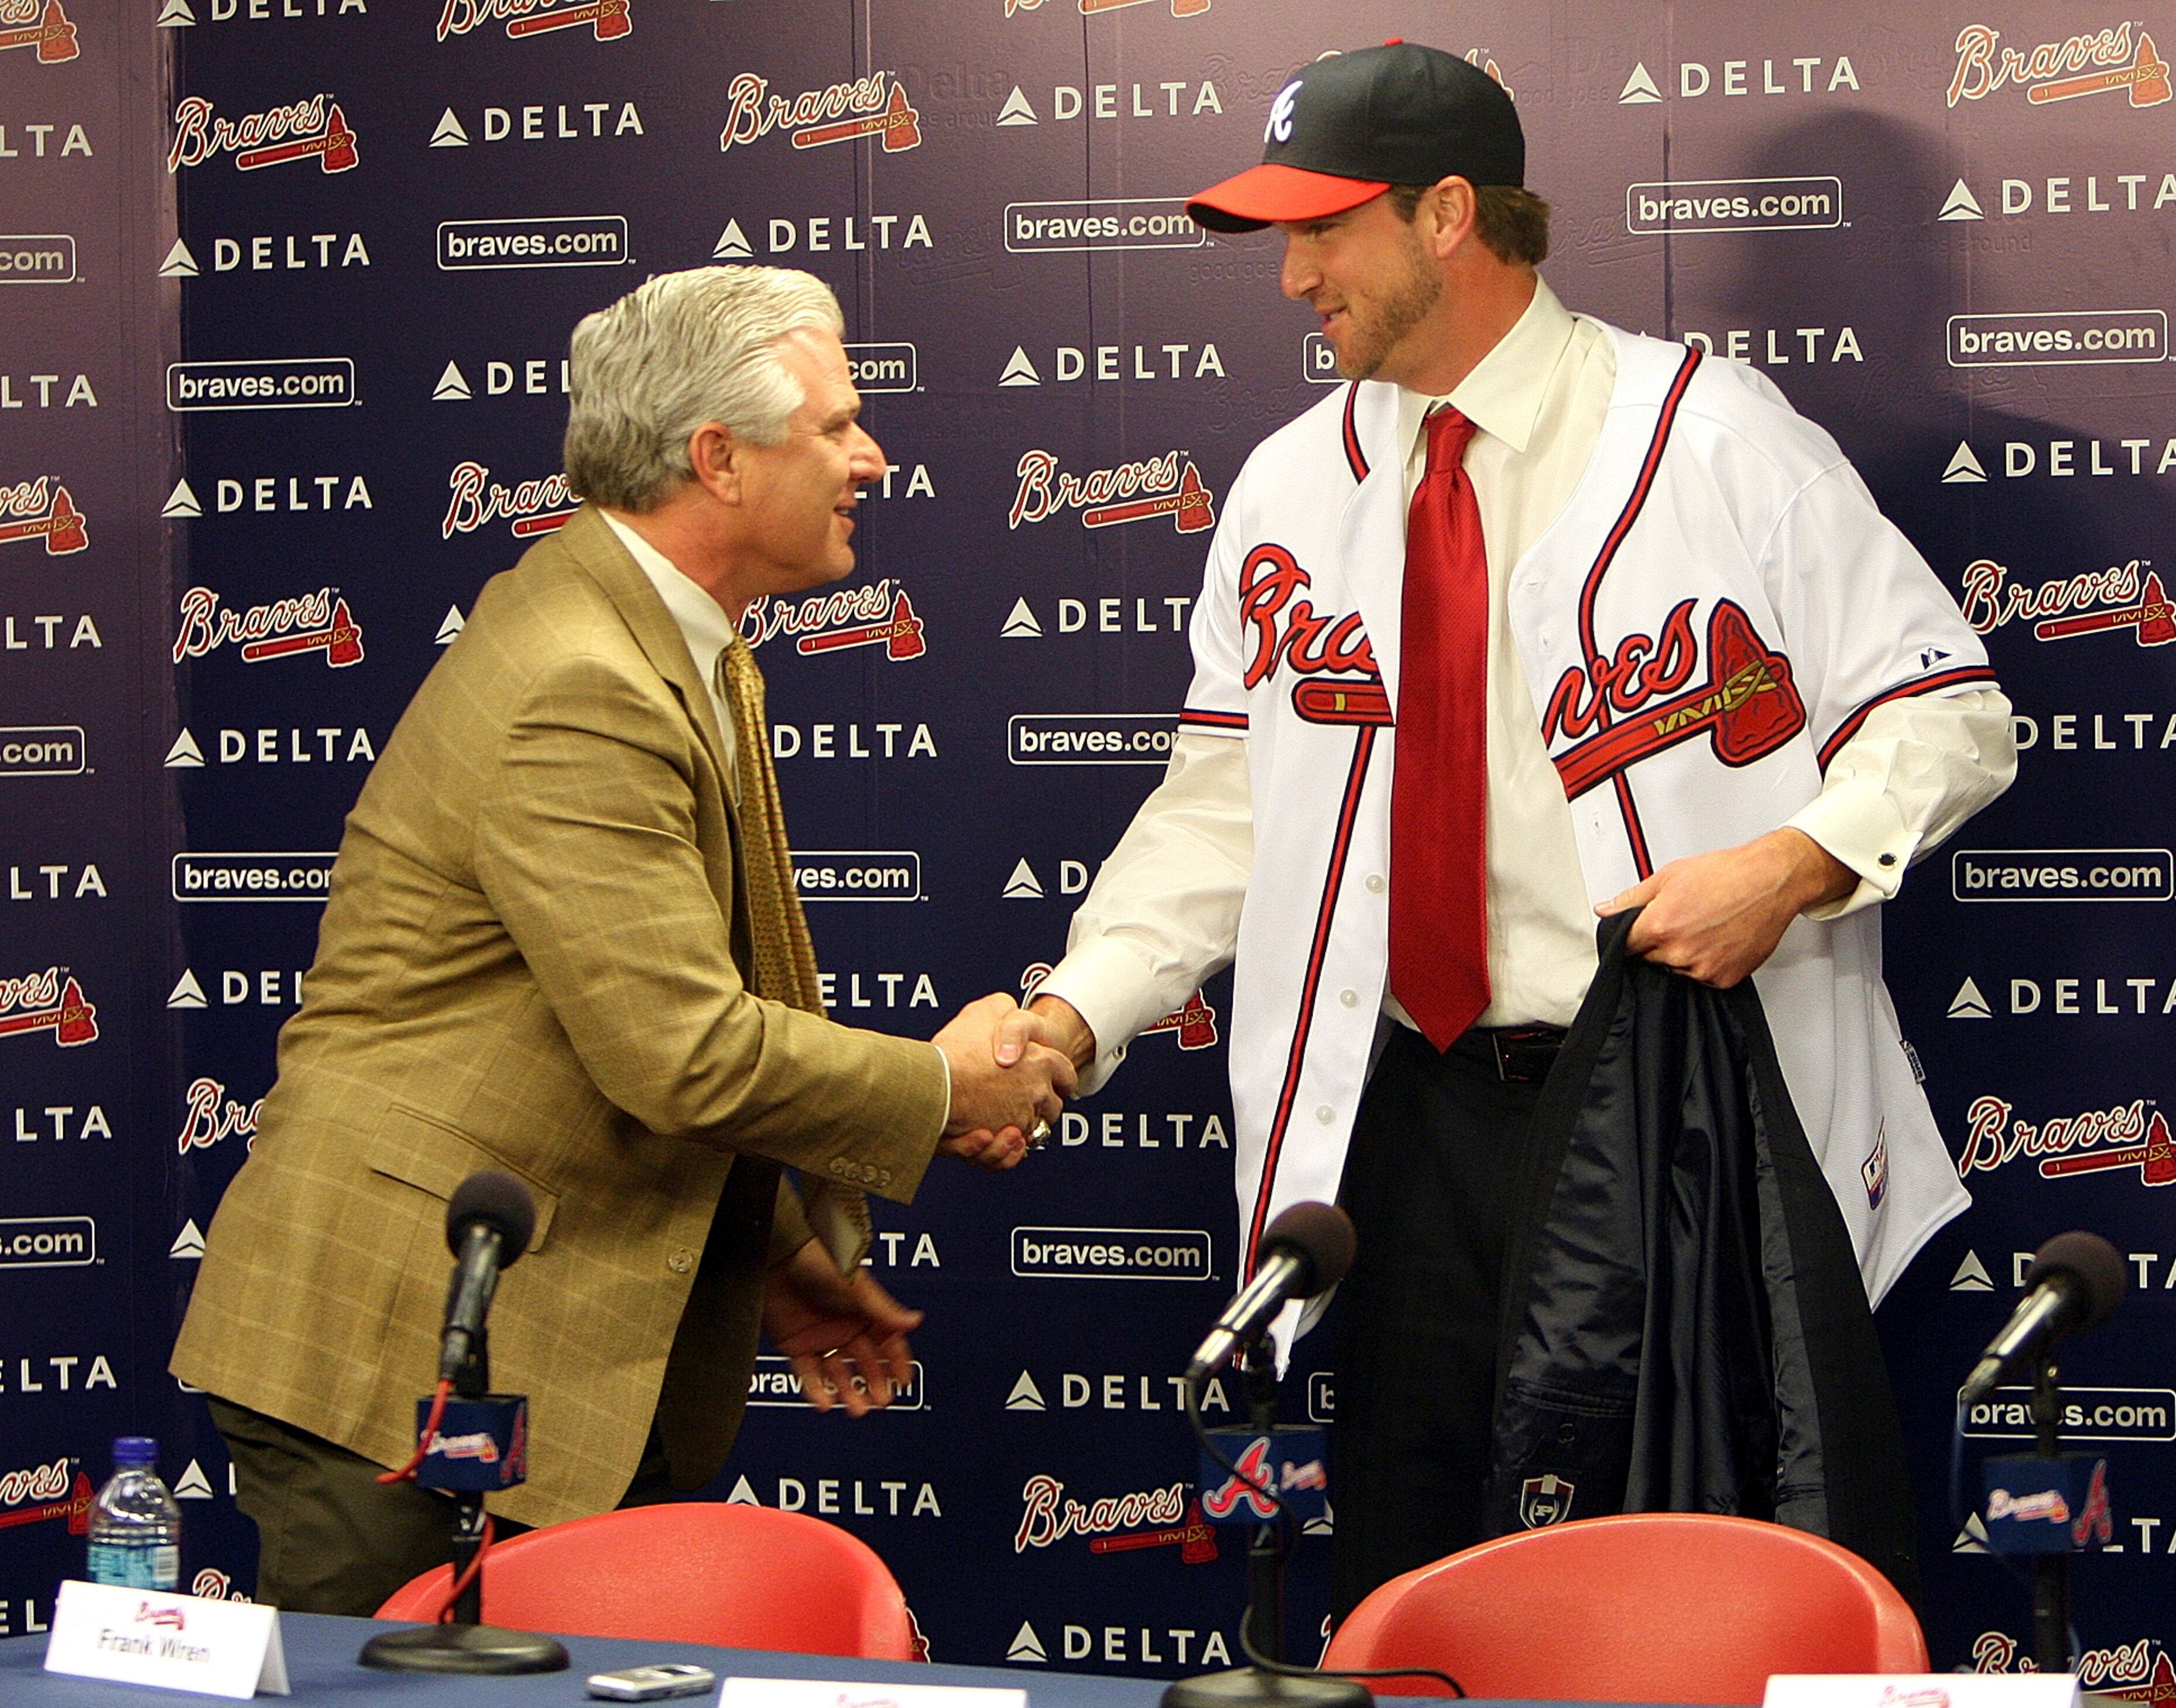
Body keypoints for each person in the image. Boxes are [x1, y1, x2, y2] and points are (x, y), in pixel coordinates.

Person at [1021, 43, 2016, 1611]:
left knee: (1679, 1571)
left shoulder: (1709, 434)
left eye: (1320, 230)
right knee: (1416, 1565)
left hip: (1656, 1109)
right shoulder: (1291, 489)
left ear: (1449, 216)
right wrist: (1073, 1013)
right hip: (1402, 1114)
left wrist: (1792, 860)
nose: (1292, 279)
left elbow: (1948, 715)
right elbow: (1219, 814)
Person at [171, 266, 1076, 1614]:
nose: (871, 459)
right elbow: (681, 1051)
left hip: (526, 1341)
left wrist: (768, 1256)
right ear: (719, 458)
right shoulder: (586, 677)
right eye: (836, 427)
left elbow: (609, 1015)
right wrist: (945, 1085)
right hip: (400, 1351)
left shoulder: (675, 637)